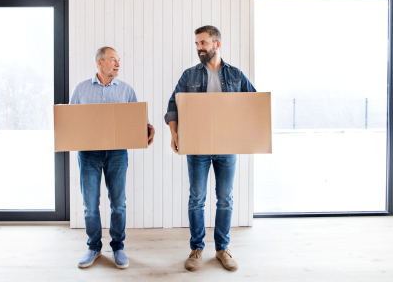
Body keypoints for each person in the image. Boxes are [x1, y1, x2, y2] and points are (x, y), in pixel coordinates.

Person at [165, 25, 256, 272]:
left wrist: (247, 136)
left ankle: (221, 249)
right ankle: (196, 249)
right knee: (197, 199)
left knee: (225, 199)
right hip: (197, 147)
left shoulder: (236, 75)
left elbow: (253, 104)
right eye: (196, 44)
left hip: (227, 147)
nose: (199, 48)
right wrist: (174, 133)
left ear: (217, 44)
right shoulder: (189, 76)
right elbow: (173, 104)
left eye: (203, 43)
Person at [71, 46, 155, 269]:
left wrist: (147, 128)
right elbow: (71, 123)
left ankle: (118, 247)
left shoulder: (126, 90)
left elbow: (138, 122)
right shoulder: (81, 89)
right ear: (99, 63)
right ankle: (93, 247)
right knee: (90, 204)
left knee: (118, 203)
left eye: (119, 60)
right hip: (88, 154)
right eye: (112, 60)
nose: (117, 64)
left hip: (117, 154)